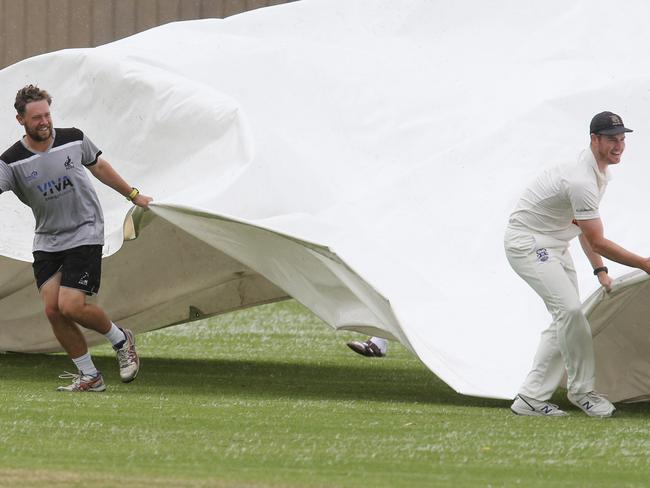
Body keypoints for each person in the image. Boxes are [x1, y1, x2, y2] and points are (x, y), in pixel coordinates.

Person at [0, 85, 153, 392]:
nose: (44, 122)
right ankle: (90, 377)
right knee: (52, 310)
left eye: (47, 115)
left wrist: (133, 195)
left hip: (84, 230)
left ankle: (121, 340)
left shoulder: (74, 138)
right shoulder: (11, 161)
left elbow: (100, 167)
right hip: (47, 241)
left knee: (70, 305)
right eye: (36, 117)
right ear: (20, 120)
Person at [505, 111, 650, 417]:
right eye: (612, 139)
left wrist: (600, 270)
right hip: (528, 243)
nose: (619, 146)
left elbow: (584, 230)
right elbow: (597, 239)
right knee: (569, 312)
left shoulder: (598, 174)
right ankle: (581, 392)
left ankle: (531, 398)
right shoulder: (581, 179)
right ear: (594, 139)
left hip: (555, 244)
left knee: (569, 317)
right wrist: (644, 263)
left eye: (623, 139)